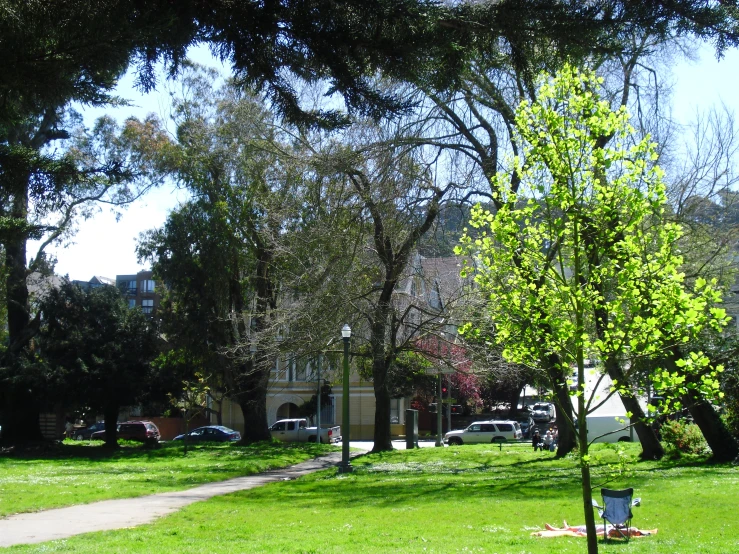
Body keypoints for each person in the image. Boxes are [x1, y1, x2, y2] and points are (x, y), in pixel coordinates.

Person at [532, 521, 658, 538]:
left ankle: (556, 530)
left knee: (575, 531)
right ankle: (562, 528)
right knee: (576, 528)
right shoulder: (617, 527)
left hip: (594, 530)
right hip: (596, 526)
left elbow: (605, 533)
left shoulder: (612, 532)